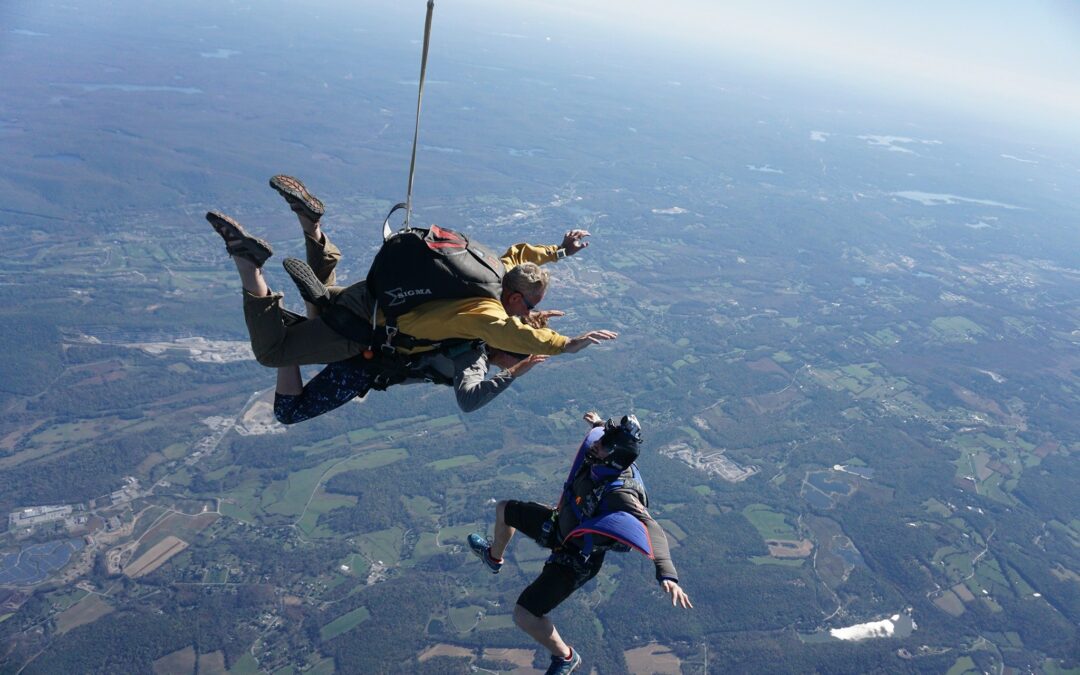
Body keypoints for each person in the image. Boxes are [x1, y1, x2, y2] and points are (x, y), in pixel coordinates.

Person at [206, 176, 617, 371]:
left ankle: (313, 228)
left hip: (373, 291)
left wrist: (559, 251)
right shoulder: (484, 312)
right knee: (273, 354)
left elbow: (522, 254)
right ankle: (249, 263)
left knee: (326, 298)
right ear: (513, 297)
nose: (527, 311)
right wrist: (566, 343)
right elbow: (516, 336)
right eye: (529, 304)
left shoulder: (496, 269)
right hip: (367, 327)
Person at [467, 413, 693, 675]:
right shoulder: (604, 461)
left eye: (605, 443)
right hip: (560, 526)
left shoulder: (621, 493)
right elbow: (605, 442)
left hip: (577, 560)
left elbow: (651, 528)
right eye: (602, 439)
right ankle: (493, 558)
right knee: (504, 509)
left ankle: (565, 657)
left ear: (615, 455)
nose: (597, 444)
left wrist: (667, 574)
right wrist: (598, 425)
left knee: (524, 615)